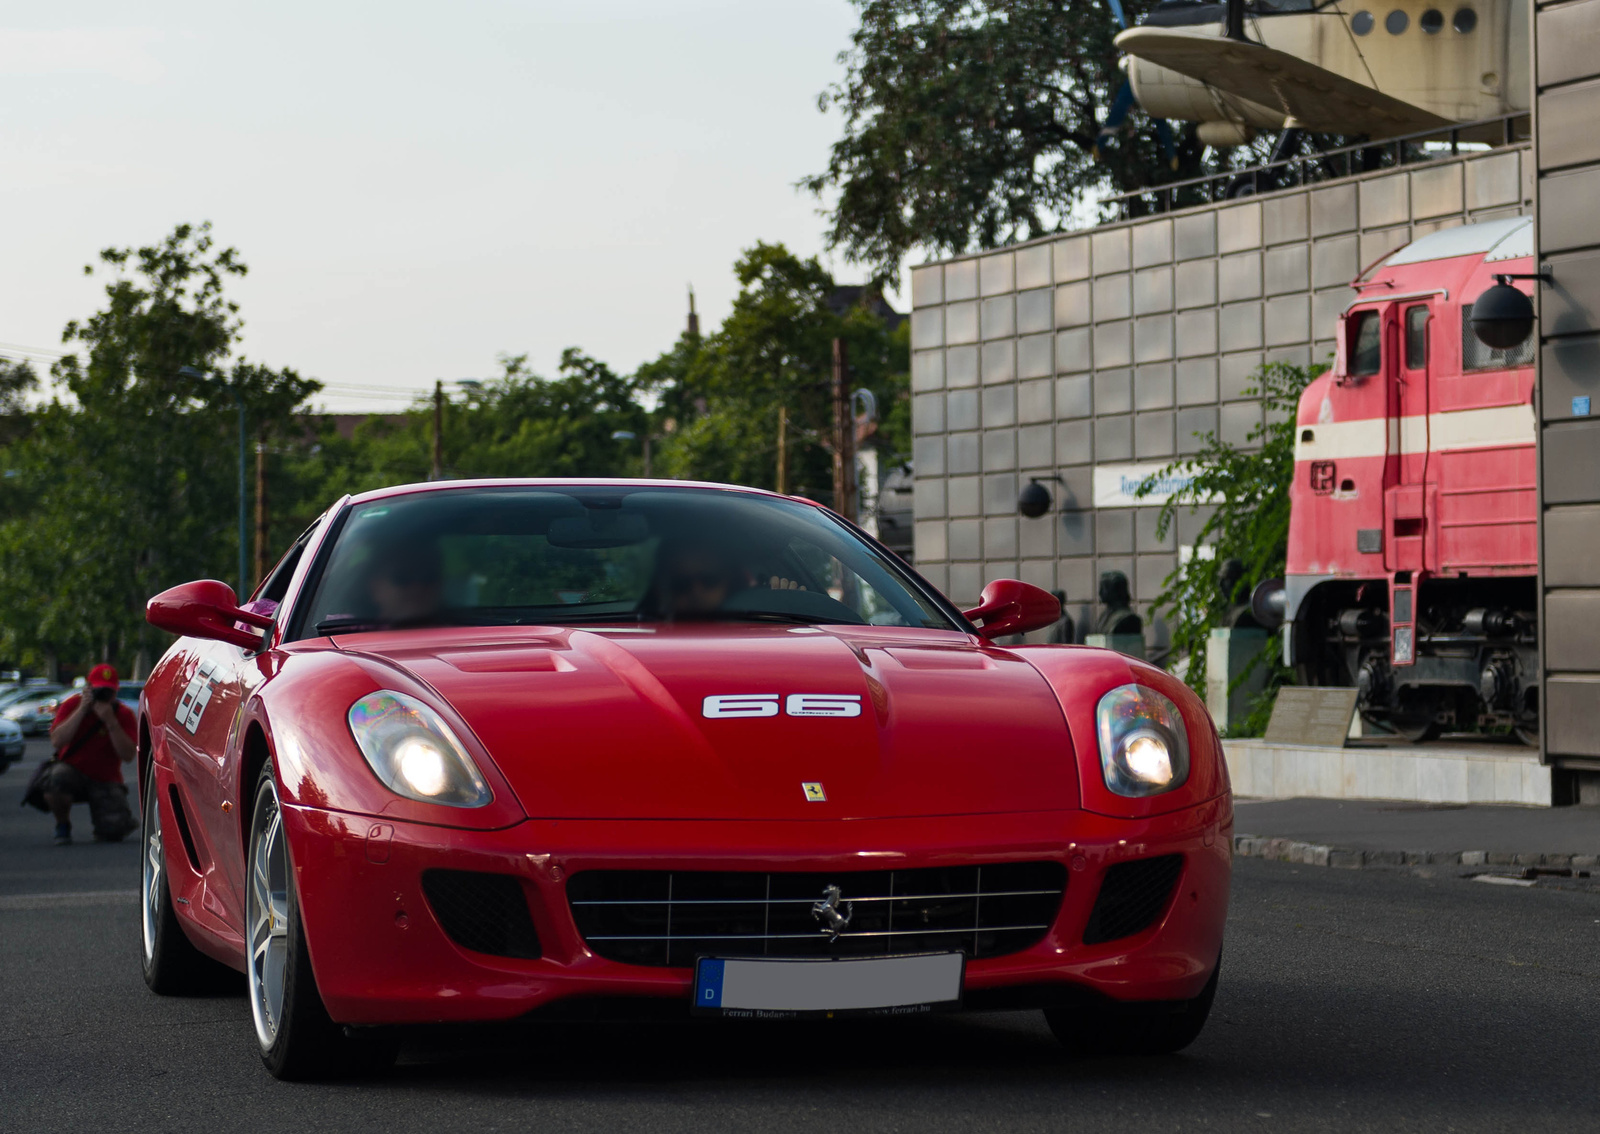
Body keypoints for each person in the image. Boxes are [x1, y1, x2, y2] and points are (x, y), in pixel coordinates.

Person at [40, 664, 138, 845]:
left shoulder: (123, 714)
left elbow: (128, 755)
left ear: (116, 692)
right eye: (98, 690)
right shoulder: (72, 705)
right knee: (56, 780)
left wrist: (110, 721)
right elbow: (57, 741)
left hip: (106, 778)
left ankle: (105, 822)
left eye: (107, 692)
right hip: (72, 772)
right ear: (88, 689)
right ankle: (63, 824)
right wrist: (81, 710)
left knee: (114, 832)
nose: (102, 696)